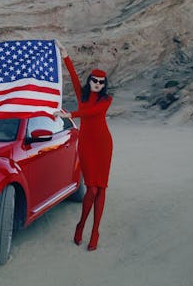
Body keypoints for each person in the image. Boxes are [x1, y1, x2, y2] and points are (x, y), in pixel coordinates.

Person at [54, 40, 113, 251]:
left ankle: (95, 231)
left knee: (101, 189)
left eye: (101, 82)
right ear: (90, 81)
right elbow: (73, 76)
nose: (97, 84)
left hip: (104, 144)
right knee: (91, 188)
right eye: (94, 81)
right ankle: (81, 224)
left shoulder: (107, 100)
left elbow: (92, 113)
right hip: (86, 144)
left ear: (104, 84)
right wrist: (65, 55)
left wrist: (72, 114)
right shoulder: (83, 94)